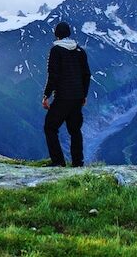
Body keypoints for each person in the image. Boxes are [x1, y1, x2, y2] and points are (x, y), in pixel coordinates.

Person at [42, 22, 91, 167]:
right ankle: (78, 163)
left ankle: (58, 162)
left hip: (62, 97)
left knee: (50, 127)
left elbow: (53, 76)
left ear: (56, 34)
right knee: (75, 130)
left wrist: (46, 95)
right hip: (77, 97)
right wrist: (84, 95)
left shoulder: (56, 50)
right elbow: (86, 74)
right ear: (68, 33)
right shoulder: (80, 51)